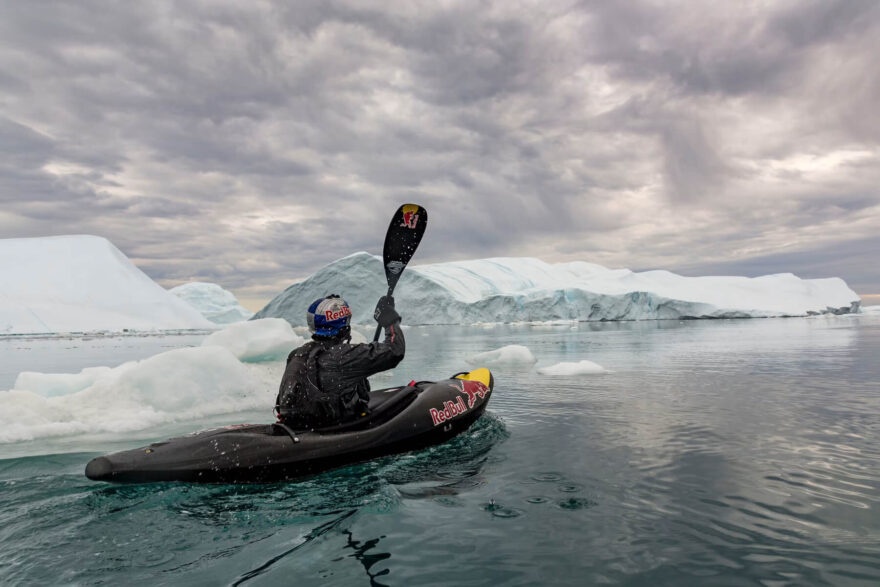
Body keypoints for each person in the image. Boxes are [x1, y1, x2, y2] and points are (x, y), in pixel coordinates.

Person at [275, 294, 404, 429]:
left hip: (298, 425)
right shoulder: (344, 355)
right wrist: (389, 319)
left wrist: (330, 306)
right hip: (333, 426)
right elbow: (395, 350)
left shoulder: (296, 354)